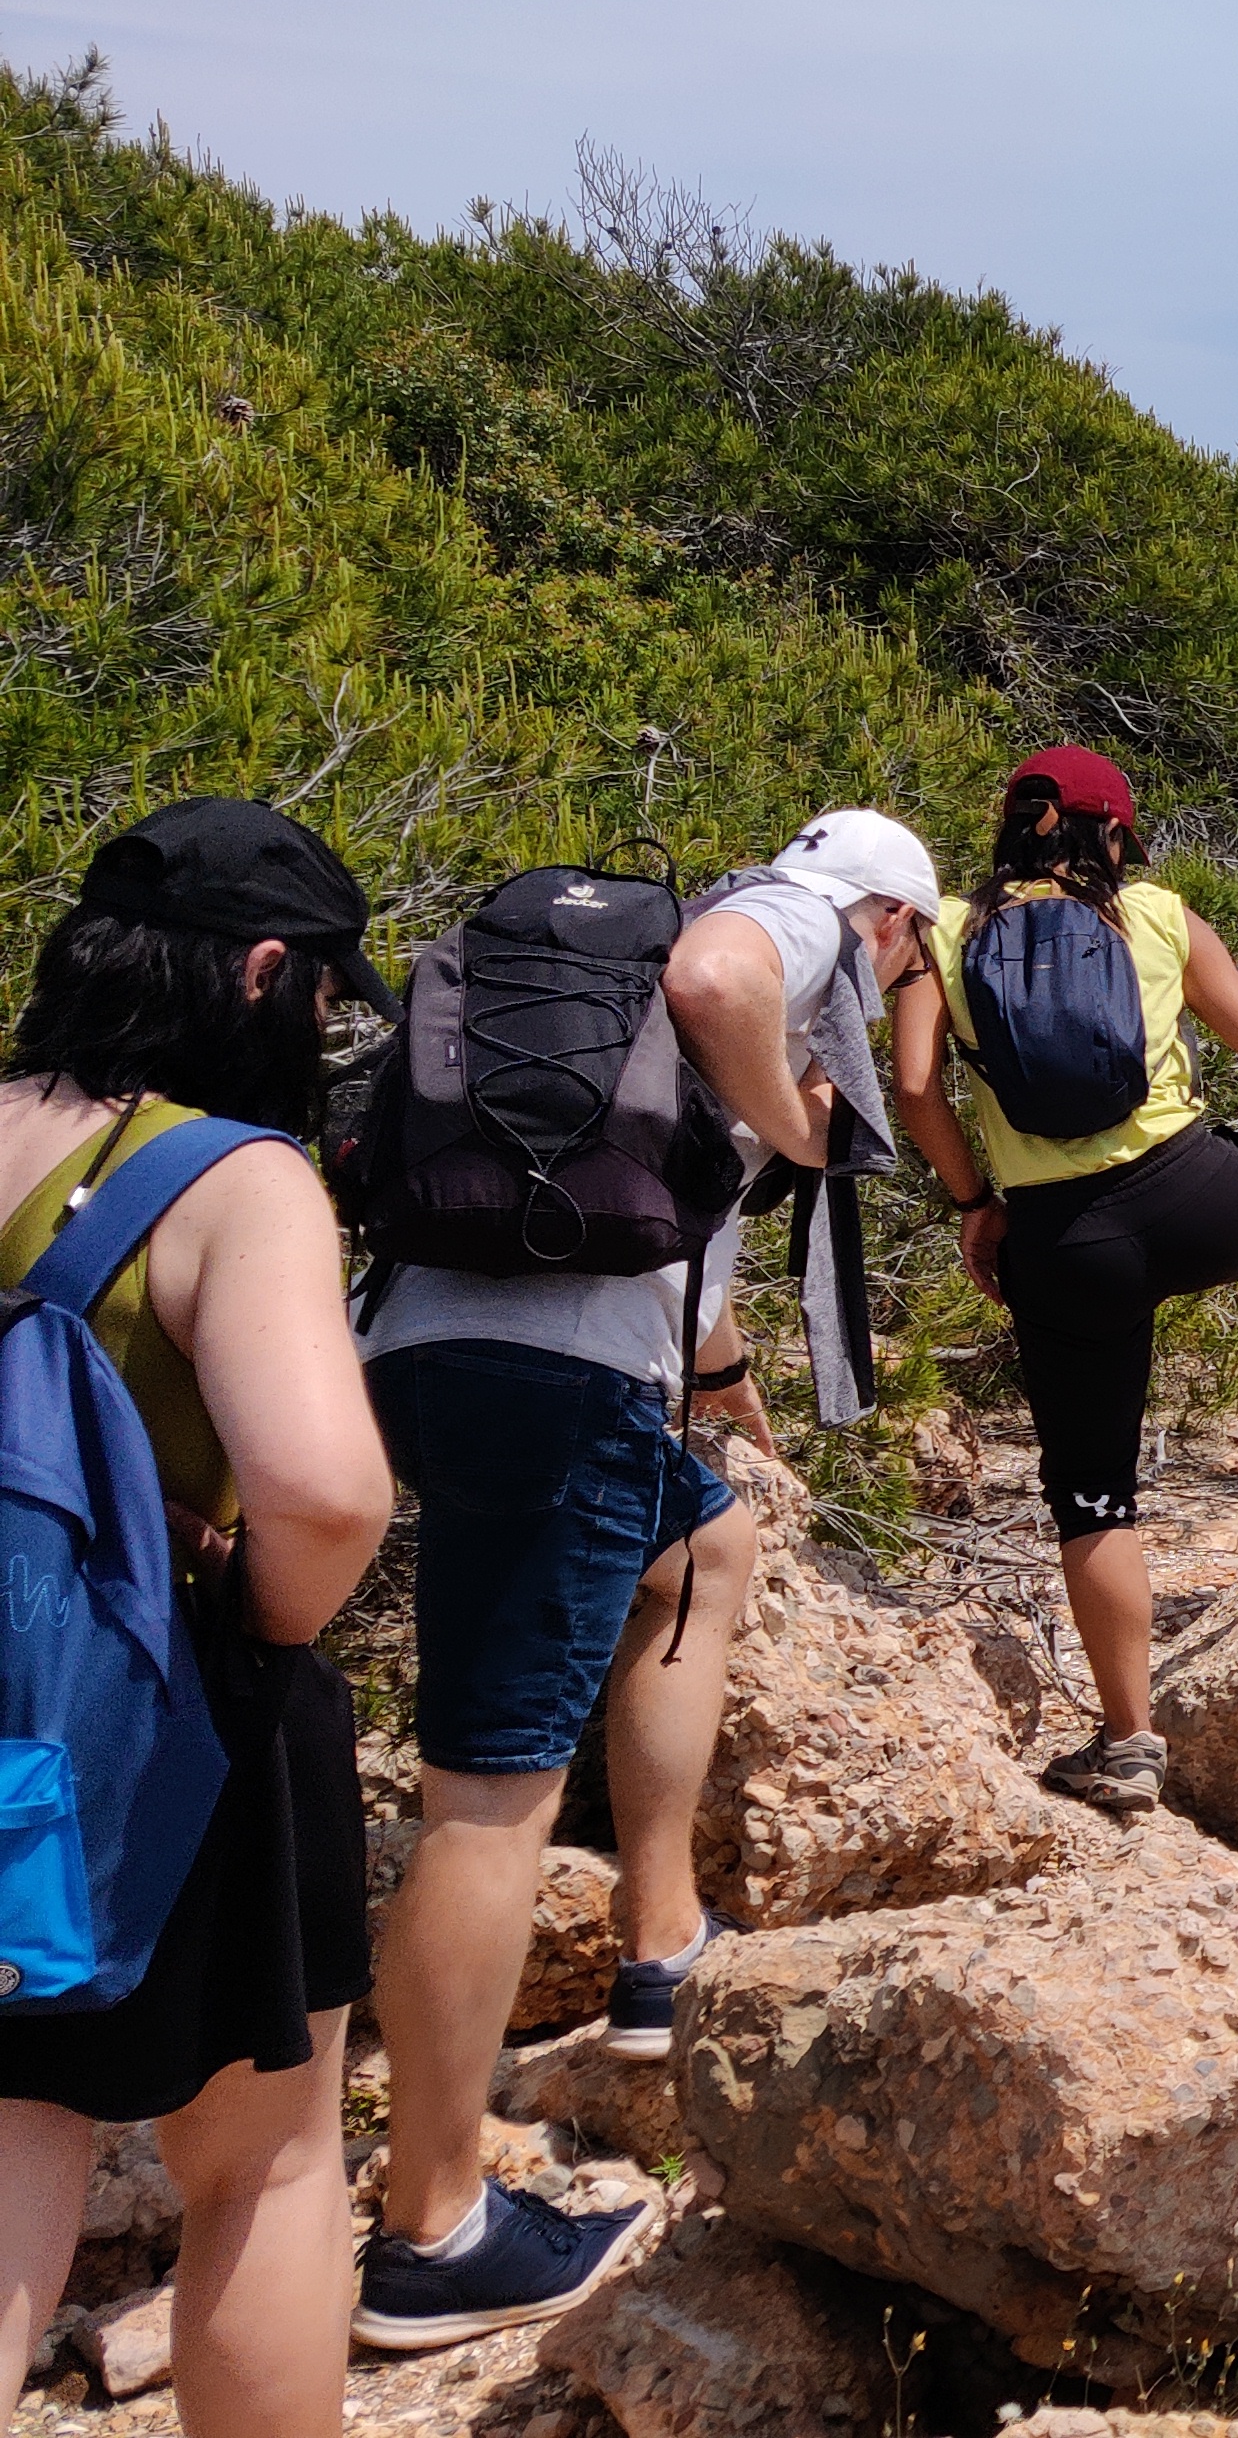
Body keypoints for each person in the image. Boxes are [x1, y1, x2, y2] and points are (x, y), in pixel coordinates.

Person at [352, 808, 944, 2350]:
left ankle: (662, 1953)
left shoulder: (577, 995)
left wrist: (727, 1371)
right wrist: (808, 1134)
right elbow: (713, 979)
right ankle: (435, 2232)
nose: (901, 988)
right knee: (489, 1798)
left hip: (424, 1347)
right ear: (896, 914)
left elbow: (652, 1222)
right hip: (551, 1392)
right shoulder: (801, 918)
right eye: (917, 955)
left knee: (705, 1544)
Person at [0, 801, 399, 2437]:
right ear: (259, 972)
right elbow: (321, 1489)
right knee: (267, 2163)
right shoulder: (228, 1178)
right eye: (319, 992)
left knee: (12, 2121)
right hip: (153, 1714)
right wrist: (256, 1620)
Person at [891, 747, 1238, 1818]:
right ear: (1114, 834)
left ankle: (1128, 1744)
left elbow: (918, 1087)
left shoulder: (943, 935)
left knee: (1092, 1492)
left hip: (1060, 1240)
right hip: (1190, 1190)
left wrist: (979, 1203)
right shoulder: (1153, 912)